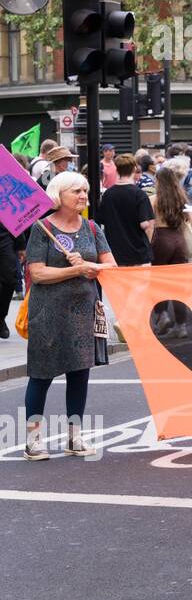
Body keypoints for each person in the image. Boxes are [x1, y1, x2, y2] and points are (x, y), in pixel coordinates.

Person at [22, 171, 117, 460]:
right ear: (58, 195)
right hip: (48, 312)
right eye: (76, 191)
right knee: (41, 375)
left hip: (82, 312)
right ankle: (33, 440)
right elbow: (37, 273)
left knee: (80, 375)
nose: (83, 195)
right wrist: (75, 270)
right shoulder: (41, 228)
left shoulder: (91, 227)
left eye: (85, 190)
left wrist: (92, 265)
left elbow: (111, 265)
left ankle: (75, 438)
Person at [97, 154, 155, 267]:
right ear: (134, 169)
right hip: (138, 254)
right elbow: (146, 224)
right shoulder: (140, 194)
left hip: (114, 253)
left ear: (117, 169)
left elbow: (101, 220)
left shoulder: (108, 194)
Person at [150, 165, 192, 266]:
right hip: (180, 240)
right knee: (177, 276)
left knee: (158, 275)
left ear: (158, 181)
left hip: (161, 239)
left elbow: (149, 223)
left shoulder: (153, 200)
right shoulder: (181, 198)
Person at [0, 220, 25, 340]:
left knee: (10, 280)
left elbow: (15, 220)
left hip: (4, 240)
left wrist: (21, 246)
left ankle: (1, 317)